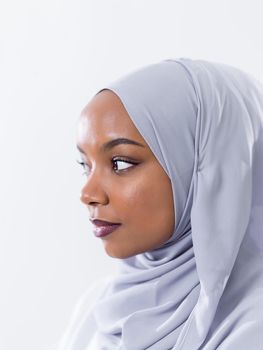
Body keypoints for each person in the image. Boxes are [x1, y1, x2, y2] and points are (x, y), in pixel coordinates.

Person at [49, 58, 263, 349]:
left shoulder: (252, 325)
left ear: (210, 169)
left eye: (121, 163)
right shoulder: (97, 307)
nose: (88, 193)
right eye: (85, 165)